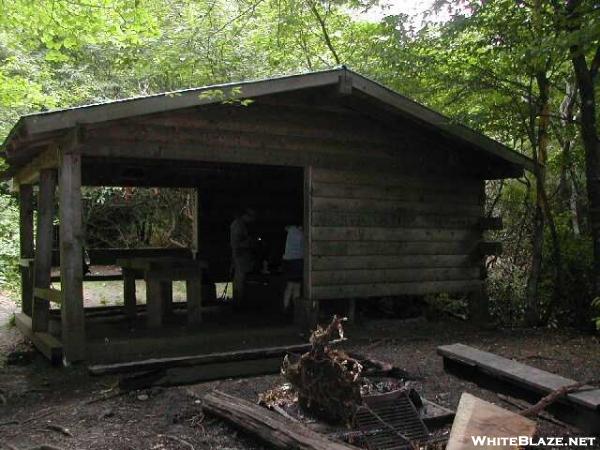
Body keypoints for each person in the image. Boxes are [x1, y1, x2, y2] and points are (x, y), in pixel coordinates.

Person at [230, 208, 258, 307]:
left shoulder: (239, 224)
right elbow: (237, 243)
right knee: (240, 278)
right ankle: (238, 302)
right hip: (240, 255)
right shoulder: (238, 225)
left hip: (240, 255)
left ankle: (239, 301)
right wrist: (250, 242)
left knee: (239, 278)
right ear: (246, 215)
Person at [282, 225, 303, 312]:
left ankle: (286, 306)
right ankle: (295, 307)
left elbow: (285, 228)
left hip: (288, 260)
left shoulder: (291, 230)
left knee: (290, 286)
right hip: (298, 260)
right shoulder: (302, 233)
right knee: (297, 286)